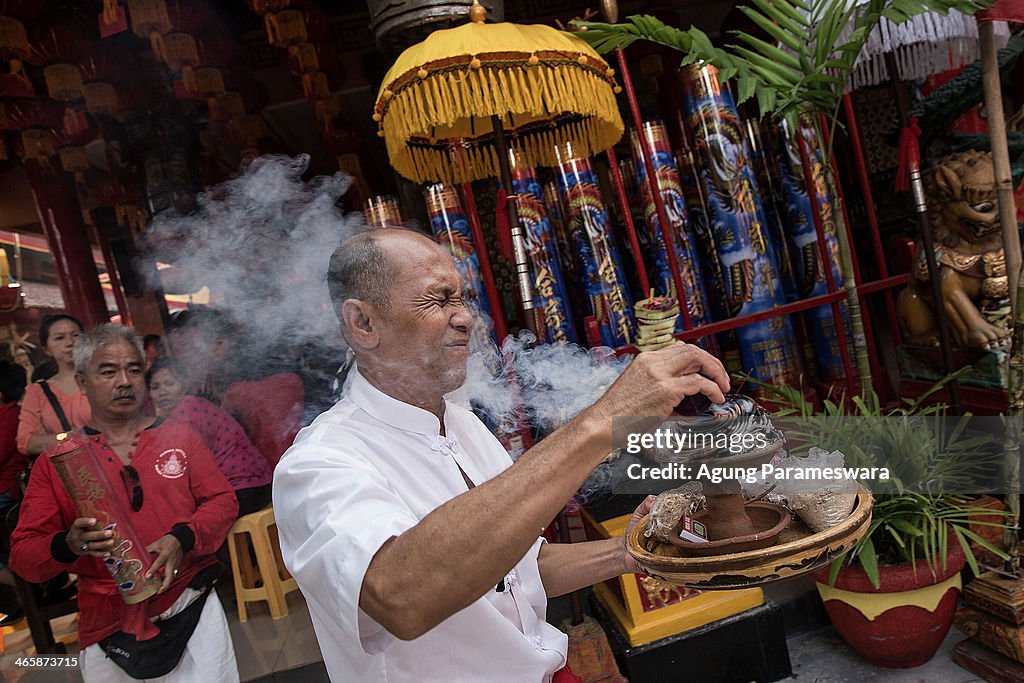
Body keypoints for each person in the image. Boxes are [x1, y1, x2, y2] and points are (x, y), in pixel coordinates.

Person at [273, 229, 730, 682]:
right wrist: (600, 422)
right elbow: (402, 597)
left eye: (462, 299)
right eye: (438, 300)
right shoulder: (319, 464)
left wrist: (631, 551)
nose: (465, 319)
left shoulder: (464, 425)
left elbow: (520, 572)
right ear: (363, 323)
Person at [10, 324, 240, 683]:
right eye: (108, 371)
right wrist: (68, 544)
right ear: (82, 382)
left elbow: (222, 501)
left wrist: (183, 537)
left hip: (189, 601)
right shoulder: (58, 463)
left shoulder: (178, 435)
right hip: (107, 620)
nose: (125, 381)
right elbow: (24, 555)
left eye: (134, 370)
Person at [166, 308, 304, 469]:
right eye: (181, 351)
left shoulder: (264, 387)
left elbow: (280, 458)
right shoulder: (208, 385)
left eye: (192, 349)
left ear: (220, 346)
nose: (186, 359)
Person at [148, 357, 273, 516]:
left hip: (244, 486)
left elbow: (184, 464)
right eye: (155, 387)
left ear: (184, 385)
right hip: (259, 483)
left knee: (192, 521)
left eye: (169, 384)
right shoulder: (188, 407)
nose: (162, 392)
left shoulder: (187, 408)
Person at [16, 315, 91, 456]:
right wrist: (68, 438)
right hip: (76, 469)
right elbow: (25, 442)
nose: (70, 342)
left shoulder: (103, 379)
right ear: (46, 349)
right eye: (59, 338)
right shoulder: (37, 392)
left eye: (76, 335)